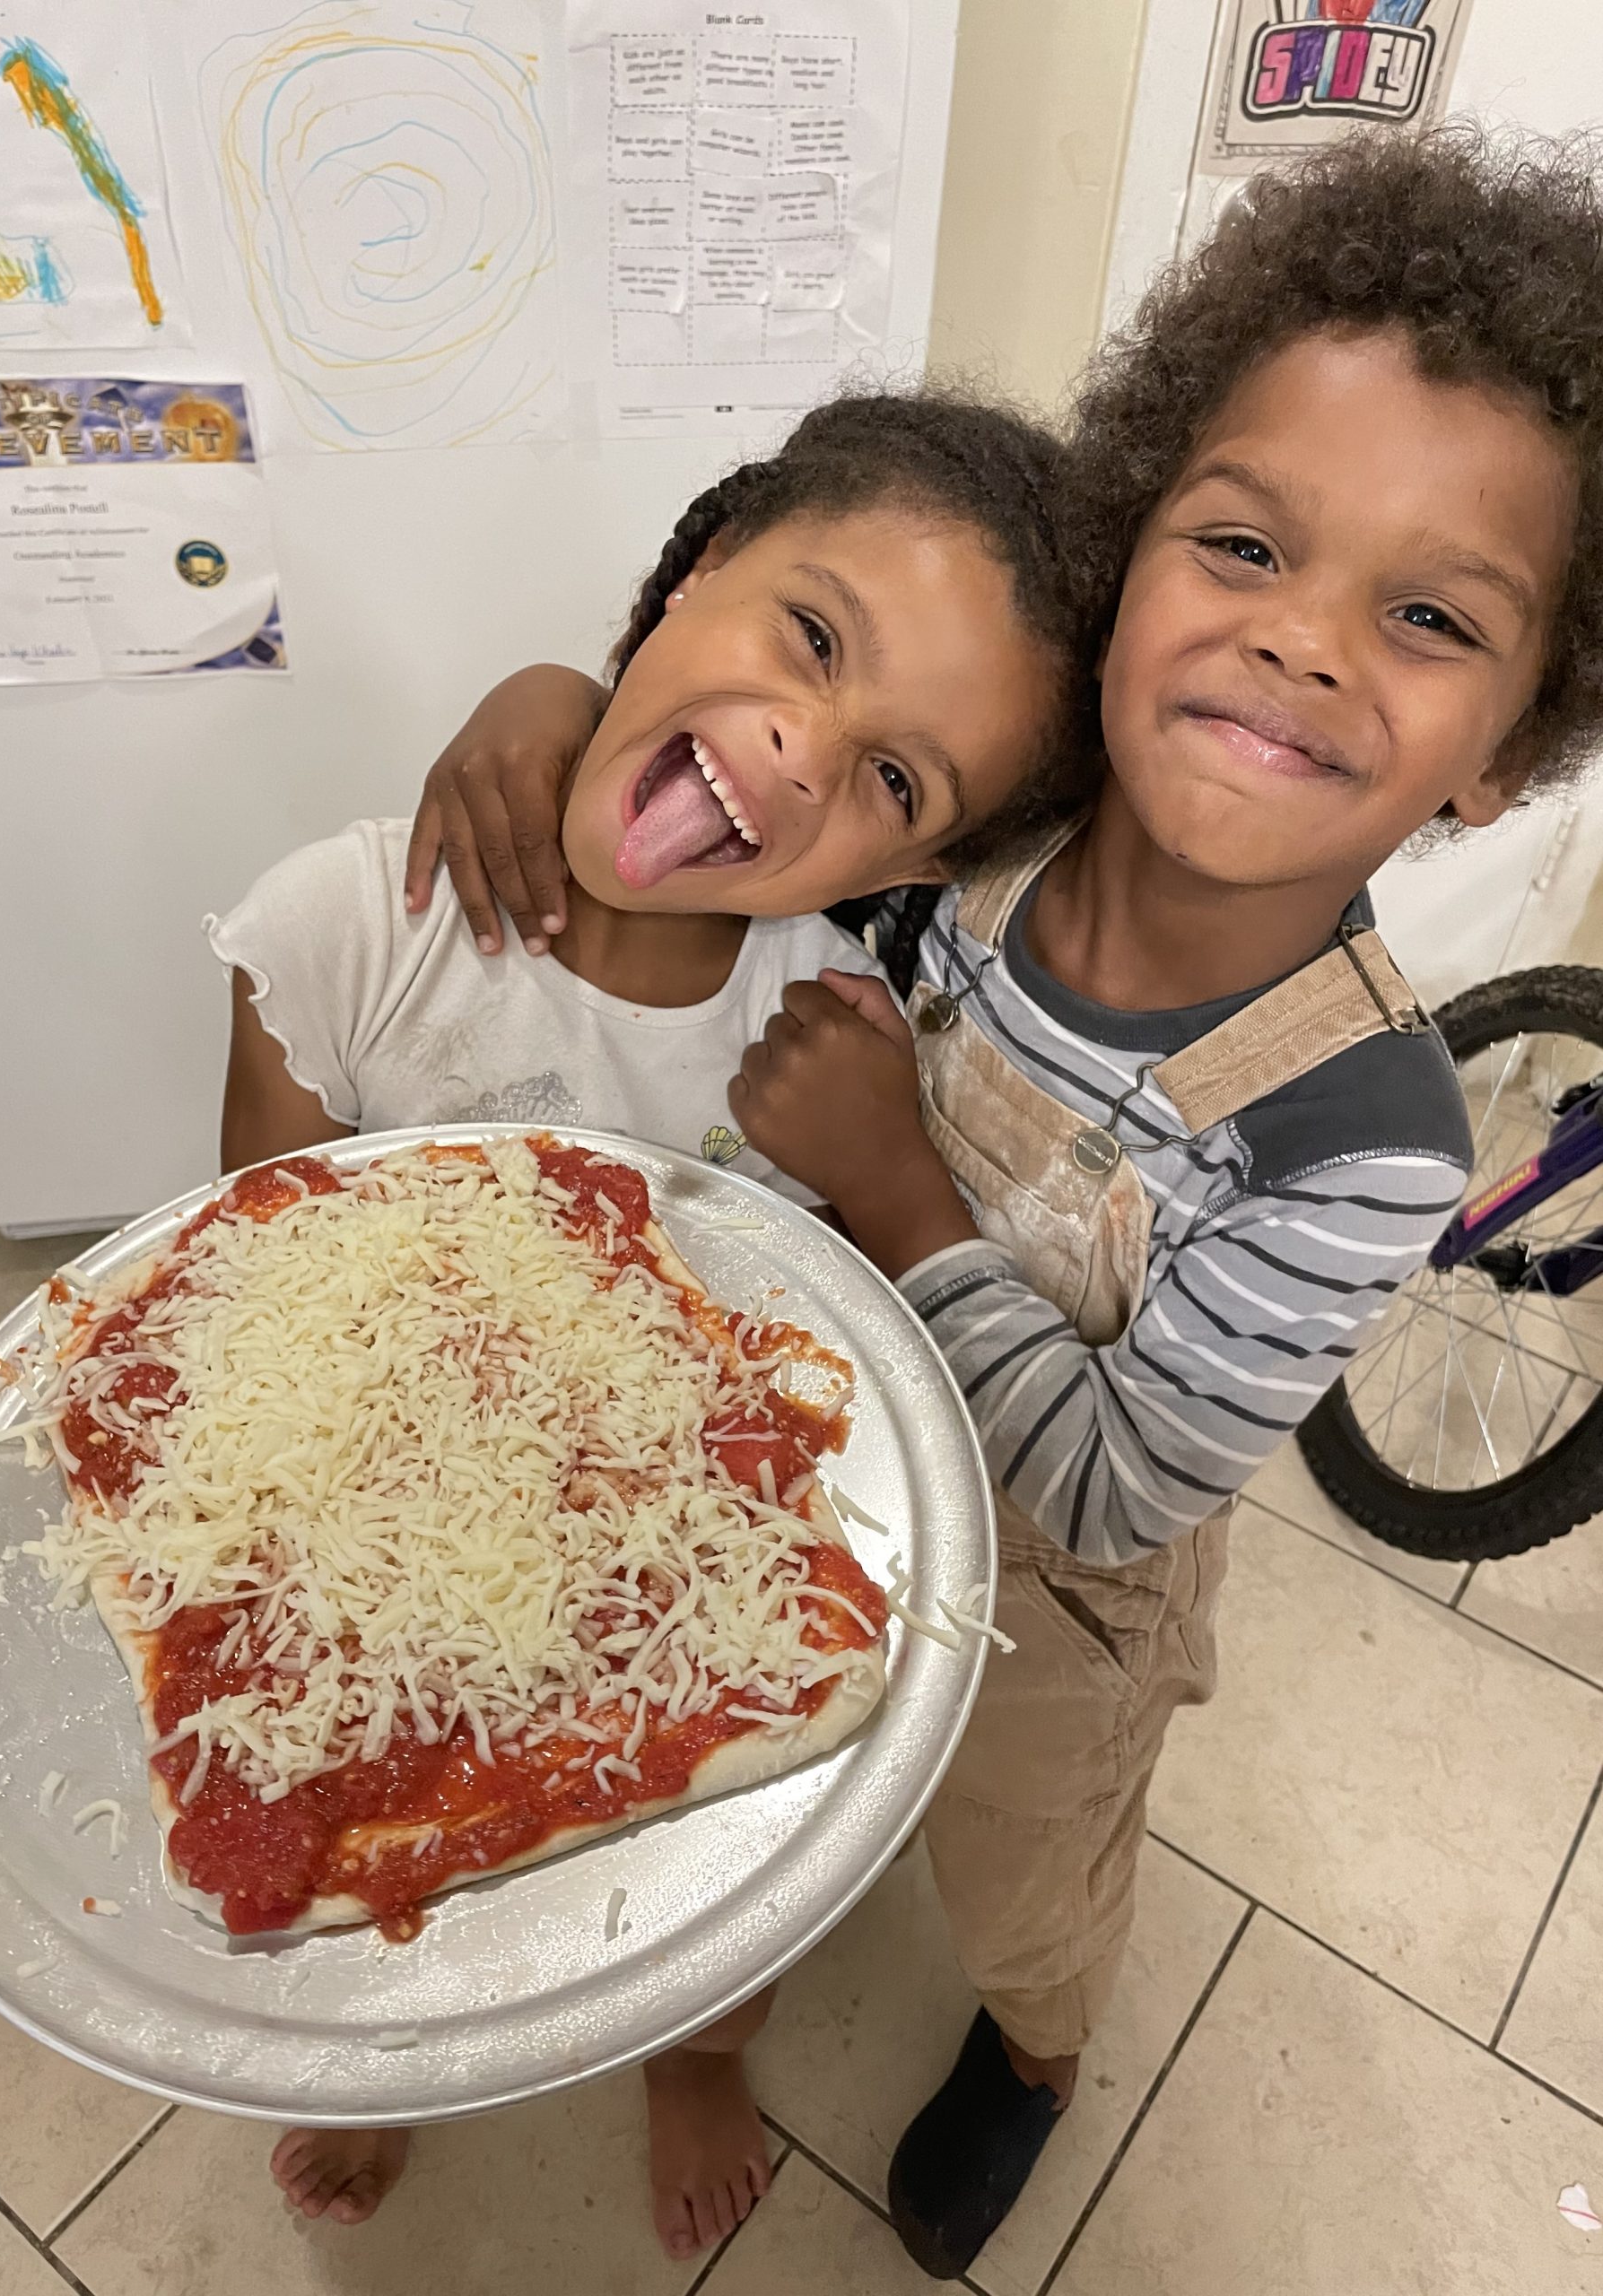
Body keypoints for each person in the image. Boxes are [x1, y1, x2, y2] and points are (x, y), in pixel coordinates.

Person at [404, 128, 1603, 2277]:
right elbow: (760, 788)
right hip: (822, 1457)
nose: (1306, 644)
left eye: (1428, 617)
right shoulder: (992, 835)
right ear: (1136, 560)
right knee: (747, 1758)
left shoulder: (1367, 1129)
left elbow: (1133, 1482)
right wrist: (557, 701)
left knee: (1021, 1863)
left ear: (1508, 747)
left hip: (1059, 1602)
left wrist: (895, 1191)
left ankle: (1040, 2056)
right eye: (1244, 542)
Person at [208, 388, 1088, 2257]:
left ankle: (698, 2049)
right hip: (382, 1527)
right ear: (691, 571)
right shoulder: (357, 923)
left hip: (662, 1572)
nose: (794, 744)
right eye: (811, 636)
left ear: (901, 870)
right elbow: (259, 1274)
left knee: (712, 1881)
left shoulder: (836, 1034)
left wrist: (875, 1160)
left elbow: (848, 1392)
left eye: (896, 779)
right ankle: (393, 2072)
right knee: (371, 1864)